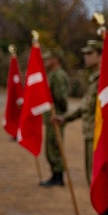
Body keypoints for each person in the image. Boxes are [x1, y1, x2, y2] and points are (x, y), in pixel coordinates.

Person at [54, 40, 108, 215]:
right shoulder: (95, 79)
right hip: (90, 133)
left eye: (90, 53)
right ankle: (102, 211)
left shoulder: (106, 77)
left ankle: (105, 214)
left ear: (100, 55)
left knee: (99, 174)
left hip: (99, 134)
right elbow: (85, 107)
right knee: (92, 174)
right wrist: (65, 118)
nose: (85, 57)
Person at [39, 50, 70, 188]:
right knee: (50, 147)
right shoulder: (52, 75)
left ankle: (58, 177)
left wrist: (60, 113)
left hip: (56, 116)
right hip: (51, 117)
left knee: (55, 146)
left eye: (49, 58)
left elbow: (61, 97)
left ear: (56, 59)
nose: (46, 61)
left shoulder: (58, 76)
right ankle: (54, 175)